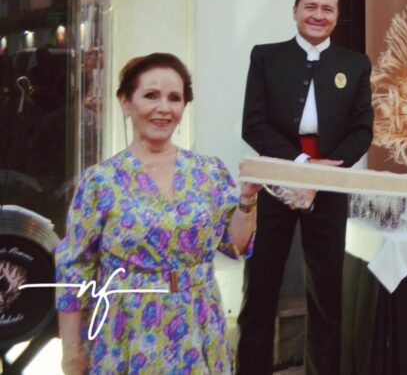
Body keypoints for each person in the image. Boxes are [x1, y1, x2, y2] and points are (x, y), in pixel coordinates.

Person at [55, 53, 258, 374]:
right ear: (125, 102)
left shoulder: (208, 171)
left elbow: (234, 246)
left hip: (199, 324)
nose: (164, 108)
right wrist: (71, 351)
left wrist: (247, 200)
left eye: (174, 98)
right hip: (127, 330)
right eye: (151, 95)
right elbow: (73, 271)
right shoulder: (101, 181)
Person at [236, 0, 373, 375]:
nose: (318, 15)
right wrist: (301, 167)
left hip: (329, 188)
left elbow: (362, 129)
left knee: (327, 295)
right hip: (276, 180)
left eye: (327, 8)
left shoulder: (355, 64)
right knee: (260, 290)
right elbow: (253, 125)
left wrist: (323, 174)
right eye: (310, 6)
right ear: (295, 11)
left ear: (337, 16)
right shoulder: (265, 56)